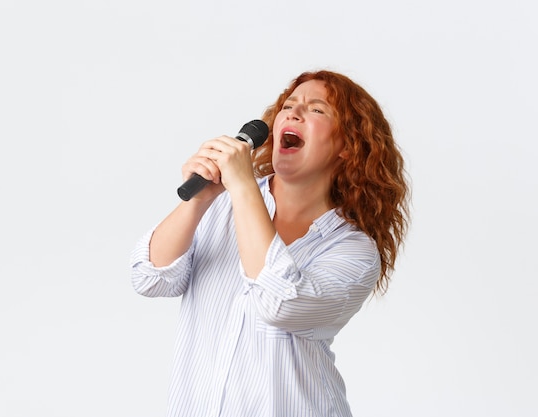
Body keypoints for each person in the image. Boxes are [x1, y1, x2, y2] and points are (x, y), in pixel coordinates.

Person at [130, 69, 410, 416]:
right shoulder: (223, 202)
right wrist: (200, 200)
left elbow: (280, 303)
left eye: (317, 109)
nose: (293, 113)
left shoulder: (354, 250)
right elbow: (150, 278)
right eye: (289, 105)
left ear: (348, 147)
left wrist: (244, 187)